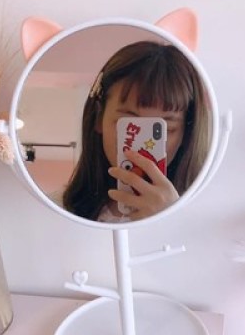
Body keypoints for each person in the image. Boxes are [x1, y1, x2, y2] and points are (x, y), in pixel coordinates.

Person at [62, 40, 210, 222]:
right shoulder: (57, 210)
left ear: (186, 134)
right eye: (129, 124)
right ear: (99, 118)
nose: (142, 146)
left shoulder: (207, 218)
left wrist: (172, 219)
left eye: (164, 129)